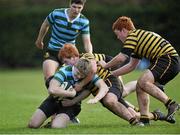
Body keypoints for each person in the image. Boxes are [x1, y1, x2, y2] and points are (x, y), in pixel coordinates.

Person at [58, 44, 175, 125]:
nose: (65, 65)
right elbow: (88, 89)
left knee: (121, 93)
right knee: (133, 113)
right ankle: (157, 115)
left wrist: (108, 68)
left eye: (66, 61)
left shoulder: (86, 57)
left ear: (74, 57)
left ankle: (152, 86)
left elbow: (94, 69)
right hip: (104, 85)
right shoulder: (76, 70)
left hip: (109, 78)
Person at [99, 16, 180, 126]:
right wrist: (111, 74)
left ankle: (171, 104)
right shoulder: (137, 40)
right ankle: (145, 119)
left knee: (143, 82)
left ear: (124, 30)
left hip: (167, 59)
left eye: (117, 34)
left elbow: (121, 58)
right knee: (140, 86)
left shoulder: (132, 36)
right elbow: (131, 66)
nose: (118, 37)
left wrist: (105, 67)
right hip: (168, 61)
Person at [28, 58, 109, 128]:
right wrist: (71, 93)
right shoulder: (64, 71)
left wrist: (96, 99)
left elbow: (104, 87)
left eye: (82, 75)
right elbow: (51, 90)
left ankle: (66, 119)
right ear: (75, 66)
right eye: (77, 73)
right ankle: (58, 116)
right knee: (33, 125)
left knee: (56, 126)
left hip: (71, 105)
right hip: (54, 100)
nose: (79, 77)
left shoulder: (89, 75)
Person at [35, 0, 93, 85]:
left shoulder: (84, 21)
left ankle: (66, 96)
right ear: (70, 4)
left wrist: (90, 55)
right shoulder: (56, 13)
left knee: (71, 79)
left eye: (79, 8)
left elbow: (87, 42)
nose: (76, 10)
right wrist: (39, 40)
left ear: (83, 7)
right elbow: (45, 24)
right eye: (74, 7)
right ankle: (56, 95)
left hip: (70, 54)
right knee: (49, 78)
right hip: (53, 50)